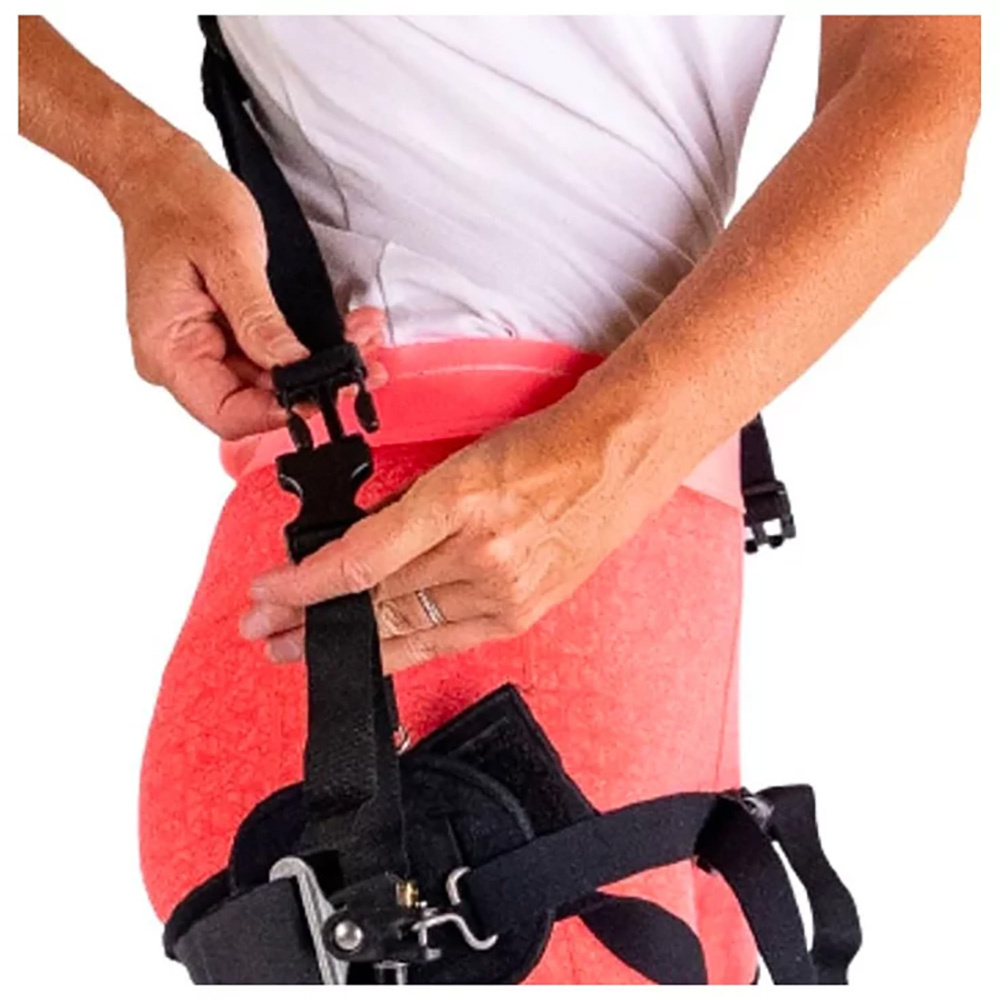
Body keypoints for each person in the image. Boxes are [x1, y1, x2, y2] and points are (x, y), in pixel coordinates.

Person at [17, 14, 979, 985]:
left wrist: (619, 450)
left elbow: (917, 81)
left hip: (563, 595)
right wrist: (136, 162)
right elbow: (913, 85)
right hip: (426, 669)